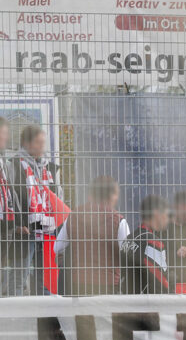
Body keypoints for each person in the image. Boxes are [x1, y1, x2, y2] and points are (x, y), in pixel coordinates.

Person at [9, 124, 65, 295]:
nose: (42, 147)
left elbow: (58, 195)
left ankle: (45, 317)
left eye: (43, 143)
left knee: (45, 277)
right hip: (25, 230)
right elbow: (9, 197)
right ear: (26, 143)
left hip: (47, 229)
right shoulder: (14, 166)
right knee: (20, 275)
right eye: (38, 143)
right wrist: (17, 224)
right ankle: (14, 316)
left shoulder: (49, 167)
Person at [54, 176, 129, 296]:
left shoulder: (73, 216)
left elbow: (57, 247)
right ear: (111, 196)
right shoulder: (118, 221)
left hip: (78, 284)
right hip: (108, 284)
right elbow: (127, 254)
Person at [120, 194, 172, 295]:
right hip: (145, 305)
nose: (168, 219)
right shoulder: (153, 242)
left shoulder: (129, 239)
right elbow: (161, 283)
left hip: (125, 301)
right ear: (156, 213)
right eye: (166, 214)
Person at [0, 117, 21, 296]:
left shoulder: (4, 161)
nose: (5, 138)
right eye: (3, 134)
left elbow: (10, 192)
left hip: (5, 222)